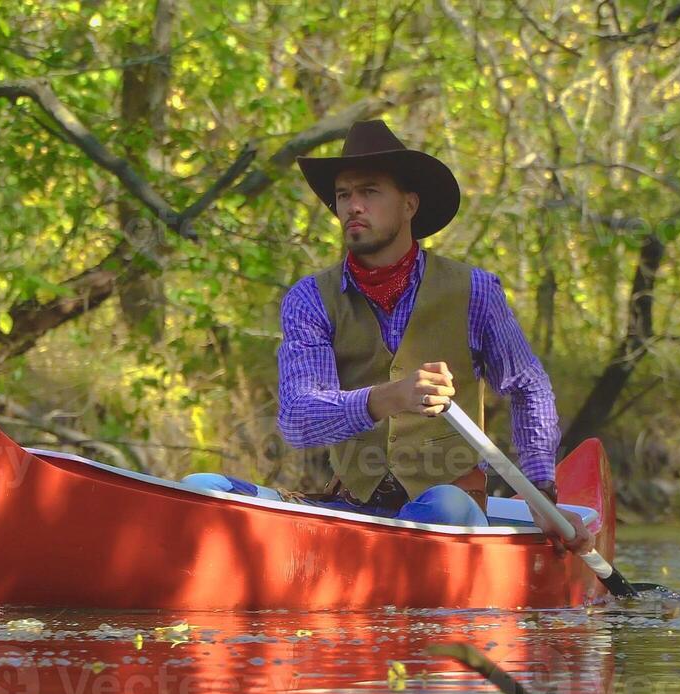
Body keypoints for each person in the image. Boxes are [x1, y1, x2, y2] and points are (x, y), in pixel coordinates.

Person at [182, 119, 588, 553]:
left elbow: (528, 386)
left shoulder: (475, 291)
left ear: (409, 204)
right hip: (352, 509)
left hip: (449, 511)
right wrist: (389, 397)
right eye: (343, 196)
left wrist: (541, 493)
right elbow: (299, 420)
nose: (353, 206)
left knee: (443, 506)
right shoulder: (309, 299)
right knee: (200, 486)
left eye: (369, 192)